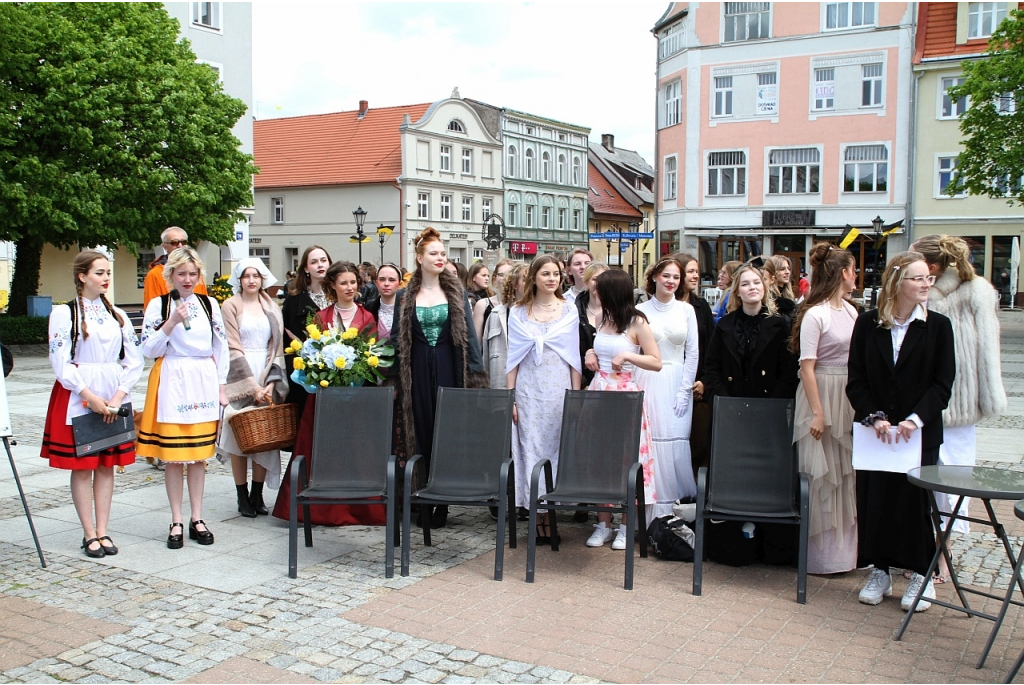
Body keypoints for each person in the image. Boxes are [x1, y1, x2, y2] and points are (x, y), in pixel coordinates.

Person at [847, 251, 955, 611]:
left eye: (928, 278)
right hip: (876, 434)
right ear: (897, 282)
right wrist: (873, 416)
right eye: (918, 278)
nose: (926, 284)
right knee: (875, 500)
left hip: (918, 433)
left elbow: (943, 383)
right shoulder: (868, 324)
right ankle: (880, 569)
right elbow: (856, 379)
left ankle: (921, 574)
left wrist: (915, 419)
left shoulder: (938, 327)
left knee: (915, 504)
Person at [911, 234, 1006, 581]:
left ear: (932, 267)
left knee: (954, 476)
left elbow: (988, 348)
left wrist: (988, 394)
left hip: (961, 401)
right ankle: (927, 546)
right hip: (924, 401)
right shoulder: (919, 292)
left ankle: (943, 548)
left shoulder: (976, 290)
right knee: (923, 475)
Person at [42, 250, 143, 558]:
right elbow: (60, 360)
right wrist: (89, 396)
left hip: (112, 393)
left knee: (106, 466)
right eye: (99, 273)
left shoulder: (119, 315)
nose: (106, 278)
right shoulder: (64, 313)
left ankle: (103, 529)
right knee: (84, 466)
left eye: (108, 272)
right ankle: (89, 534)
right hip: (79, 394)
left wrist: (117, 396)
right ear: (82, 276)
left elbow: (134, 359)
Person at [392, 228, 487, 529]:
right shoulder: (404, 296)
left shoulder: (455, 292)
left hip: (448, 365)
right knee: (419, 429)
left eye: (443, 254)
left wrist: (475, 376)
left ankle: (442, 500)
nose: (440, 258)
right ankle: (421, 497)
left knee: (446, 430)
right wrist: (391, 377)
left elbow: (470, 338)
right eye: (434, 253)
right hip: (417, 367)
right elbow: (396, 339)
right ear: (419, 258)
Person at [138, 247, 228, 549]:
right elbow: (148, 348)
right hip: (174, 375)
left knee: (199, 457)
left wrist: (221, 385)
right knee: (175, 458)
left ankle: (197, 516)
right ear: (171, 276)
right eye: (181, 274)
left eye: (192, 274)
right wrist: (171, 322)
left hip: (202, 376)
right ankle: (176, 518)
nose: (187, 279)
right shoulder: (158, 306)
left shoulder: (210, 304)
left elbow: (221, 346)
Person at [788, 243, 859, 574]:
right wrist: (818, 412)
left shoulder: (851, 310)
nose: (856, 275)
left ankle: (846, 554)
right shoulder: (815, 314)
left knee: (846, 472)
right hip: (820, 393)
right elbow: (806, 366)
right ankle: (818, 556)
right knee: (821, 474)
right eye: (854, 269)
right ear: (843, 273)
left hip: (846, 394)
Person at [505, 255, 583, 544]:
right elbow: (513, 359)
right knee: (530, 451)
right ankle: (536, 519)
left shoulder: (569, 310)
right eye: (546, 274)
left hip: (558, 388)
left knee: (555, 452)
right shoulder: (518, 311)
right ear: (534, 277)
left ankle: (551, 515)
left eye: (556, 274)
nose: (552, 279)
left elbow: (574, 357)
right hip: (528, 390)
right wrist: (511, 398)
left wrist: (574, 398)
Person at [585, 269, 662, 550]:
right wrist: (590, 353)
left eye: (600, 289)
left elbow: (656, 361)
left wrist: (629, 354)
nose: (596, 293)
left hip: (624, 393)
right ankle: (603, 523)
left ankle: (626, 525)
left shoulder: (637, 322)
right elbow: (599, 348)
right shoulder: (600, 317)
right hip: (599, 391)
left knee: (625, 460)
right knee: (599, 460)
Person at [216, 259, 288, 518]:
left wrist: (269, 384)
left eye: (255, 275)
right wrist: (250, 386)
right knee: (238, 437)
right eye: (246, 275)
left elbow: (276, 346)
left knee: (265, 438)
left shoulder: (271, 306)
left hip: (266, 371)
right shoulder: (230, 305)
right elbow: (232, 345)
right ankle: (241, 494)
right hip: (240, 372)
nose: (251, 280)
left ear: (262, 278)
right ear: (240, 279)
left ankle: (257, 494)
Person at [636, 257, 700, 519]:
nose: (671, 281)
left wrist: (685, 389)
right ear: (654, 277)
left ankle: (677, 513)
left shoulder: (687, 311)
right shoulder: (640, 310)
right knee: (652, 444)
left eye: (676, 277)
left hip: (677, 379)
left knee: (676, 440)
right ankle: (650, 516)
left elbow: (693, 352)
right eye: (666, 276)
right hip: (649, 380)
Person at [703, 264, 799, 401]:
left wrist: (775, 398)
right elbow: (712, 366)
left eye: (756, 282)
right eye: (745, 284)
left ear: (764, 288)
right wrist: (724, 397)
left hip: (770, 405)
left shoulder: (779, 324)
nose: (752, 287)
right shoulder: (725, 325)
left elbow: (789, 368)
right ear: (737, 291)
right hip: (730, 404)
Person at [673, 253, 716, 479]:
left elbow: (710, 347)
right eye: (690, 271)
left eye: (696, 271)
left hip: (698, 386)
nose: (696, 275)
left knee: (699, 441)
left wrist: (705, 382)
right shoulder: (666, 306)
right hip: (671, 380)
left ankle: (697, 492)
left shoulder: (701, 307)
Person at [281, 246, 332, 423]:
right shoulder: (295, 299)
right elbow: (286, 337)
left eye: (323, 260)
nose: (320, 265)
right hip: (305, 374)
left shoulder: (337, 294)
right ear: (305, 268)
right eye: (314, 262)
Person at [481, 263, 527, 390]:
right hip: (500, 386)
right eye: (525, 279)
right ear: (514, 284)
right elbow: (485, 357)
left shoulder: (539, 314)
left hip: (528, 387)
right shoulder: (496, 314)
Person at [143, 226, 208, 308]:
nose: (180, 246)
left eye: (183, 242)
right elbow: (151, 310)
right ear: (165, 246)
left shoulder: (196, 271)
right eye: (174, 242)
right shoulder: (155, 274)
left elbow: (205, 304)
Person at [576, 262, 610, 389]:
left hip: (611, 381)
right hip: (582, 382)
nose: (600, 283)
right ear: (586, 282)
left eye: (604, 279)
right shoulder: (574, 312)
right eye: (595, 279)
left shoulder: (619, 313)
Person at [473, 258, 514, 341]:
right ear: (495, 279)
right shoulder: (483, 305)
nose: (506, 278)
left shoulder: (522, 306)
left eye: (509, 275)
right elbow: (476, 342)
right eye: (502, 275)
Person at [365, 263, 403, 340]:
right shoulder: (368, 309)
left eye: (391, 280)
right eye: (382, 279)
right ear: (376, 282)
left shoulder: (409, 310)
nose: (386, 284)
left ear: (400, 284)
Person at [764, 255, 798, 322]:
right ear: (773, 272)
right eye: (782, 269)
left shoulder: (787, 296)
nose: (787, 272)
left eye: (788, 268)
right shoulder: (768, 298)